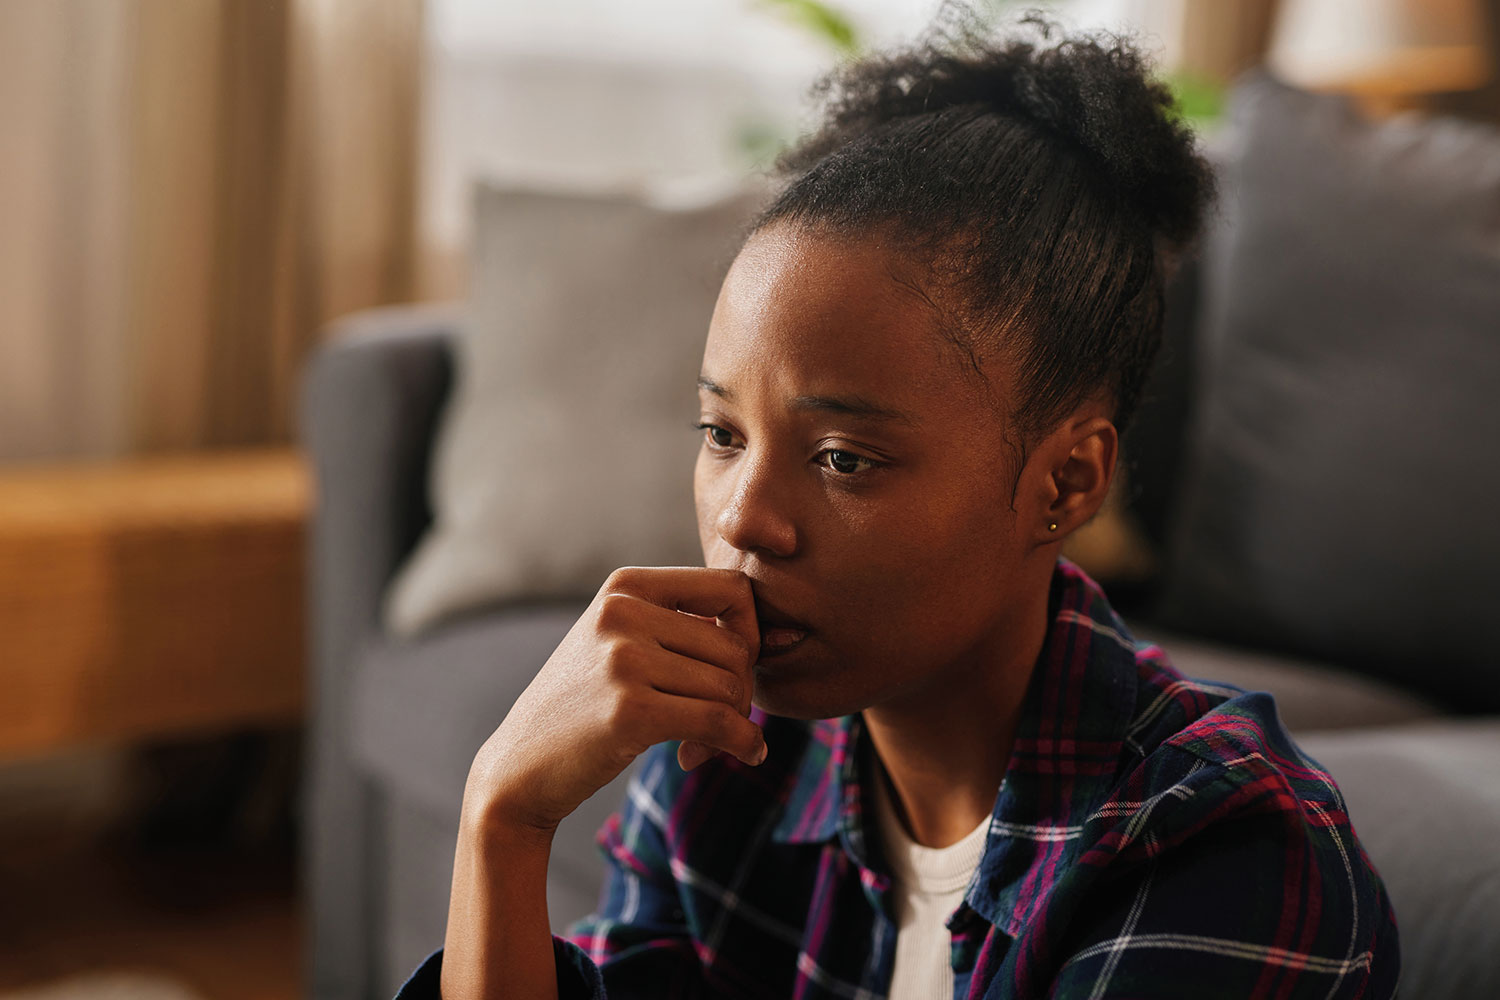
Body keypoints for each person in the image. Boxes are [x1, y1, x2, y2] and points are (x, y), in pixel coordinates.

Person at [398, 11, 1400, 999]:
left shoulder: (1222, 848)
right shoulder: (724, 769)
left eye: (842, 457)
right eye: (723, 435)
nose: (745, 520)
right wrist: (505, 816)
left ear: (1065, 483)